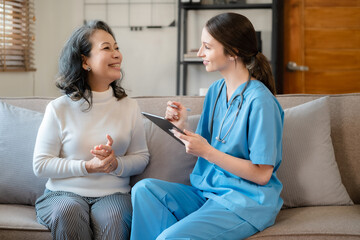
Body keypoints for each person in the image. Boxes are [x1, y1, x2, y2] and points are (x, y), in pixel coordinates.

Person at [130, 12, 284, 240]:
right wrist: (179, 127)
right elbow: (203, 147)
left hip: (245, 202)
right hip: (209, 192)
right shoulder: (216, 91)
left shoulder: (260, 101)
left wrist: (208, 151)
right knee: (144, 190)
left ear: (233, 52)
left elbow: (262, 175)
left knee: (167, 239)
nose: (200, 53)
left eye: (207, 47)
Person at [33, 20, 149, 240]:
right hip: (62, 194)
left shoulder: (129, 106)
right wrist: (88, 166)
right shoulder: (59, 108)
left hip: (114, 194)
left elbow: (142, 157)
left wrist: (116, 163)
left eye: (117, 47)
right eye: (107, 48)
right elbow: (40, 164)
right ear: (85, 60)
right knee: (68, 210)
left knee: (115, 216)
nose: (117, 54)